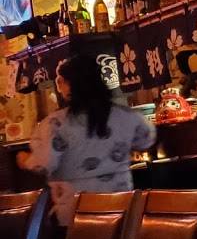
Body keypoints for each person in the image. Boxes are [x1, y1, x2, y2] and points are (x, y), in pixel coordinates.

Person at [16, 54, 155, 225]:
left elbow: (44, 163)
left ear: (70, 85)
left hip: (76, 213)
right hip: (121, 208)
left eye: (61, 81)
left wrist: (25, 160)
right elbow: (147, 139)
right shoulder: (125, 115)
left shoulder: (56, 123)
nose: (59, 86)